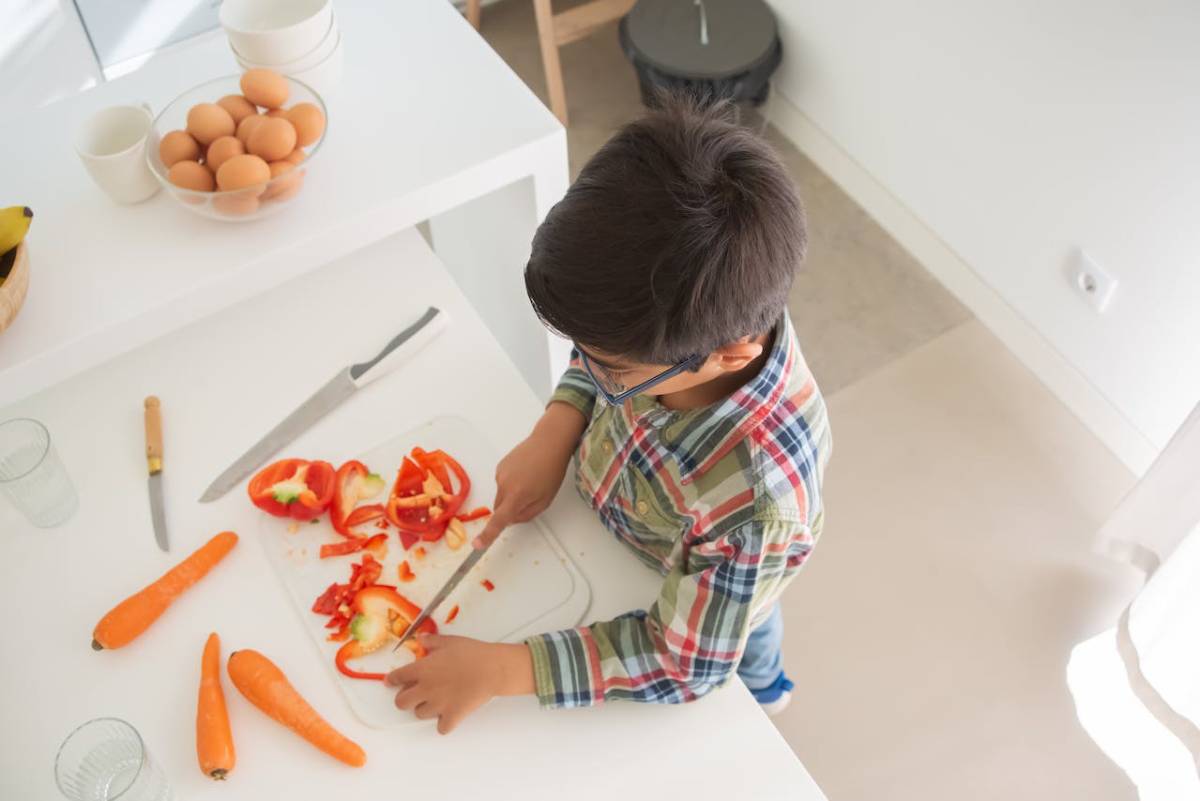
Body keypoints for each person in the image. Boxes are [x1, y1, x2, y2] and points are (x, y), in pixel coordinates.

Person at [385, 98, 832, 734]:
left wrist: (504, 671)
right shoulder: (662, 326)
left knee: (746, 672)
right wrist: (556, 428)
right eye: (587, 353)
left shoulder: (754, 512)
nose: (591, 367)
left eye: (611, 372)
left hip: (714, 596)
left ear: (730, 353)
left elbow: (686, 664)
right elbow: (601, 348)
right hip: (617, 531)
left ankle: (766, 693)